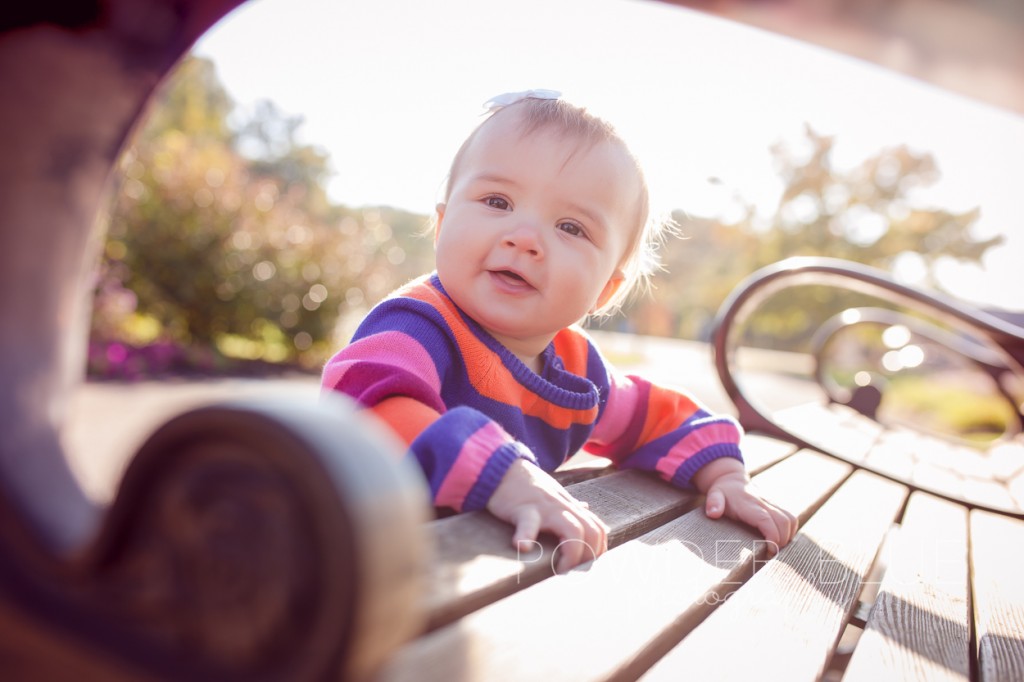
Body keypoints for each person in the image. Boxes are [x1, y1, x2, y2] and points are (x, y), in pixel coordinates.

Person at [321, 90, 797, 572]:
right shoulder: (418, 323)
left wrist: (727, 475)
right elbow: (364, 413)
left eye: (570, 227)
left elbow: (661, 418)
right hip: (345, 560)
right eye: (497, 201)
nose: (524, 238)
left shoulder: (577, 371)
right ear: (442, 224)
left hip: (467, 575)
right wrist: (502, 472)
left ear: (605, 291)